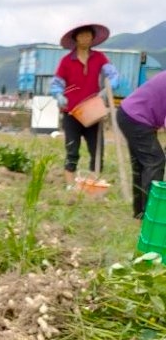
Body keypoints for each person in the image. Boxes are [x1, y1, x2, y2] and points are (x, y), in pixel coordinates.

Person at [49, 24, 119, 182]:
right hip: (71, 112)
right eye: (82, 35)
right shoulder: (66, 61)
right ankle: (69, 184)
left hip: (93, 111)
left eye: (89, 35)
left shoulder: (100, 58)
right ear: (75, 38)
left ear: (93, 38)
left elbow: (113, 75)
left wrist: (109, 87)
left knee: (97, 150)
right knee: (72, 150)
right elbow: (56, 83)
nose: (85, 38)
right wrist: (59, 94)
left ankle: (94, 183)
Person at [116, 71, 166, 218]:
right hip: (136, 118)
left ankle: (140, 213)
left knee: (141, 165)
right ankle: (151, 215)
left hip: (129, 114)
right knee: (155, 161)